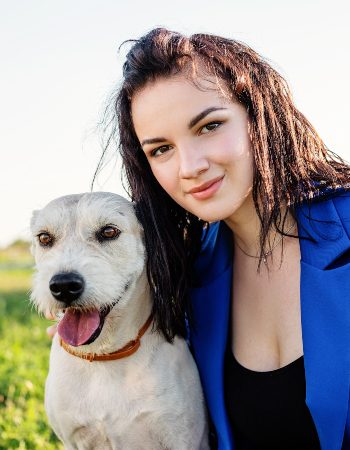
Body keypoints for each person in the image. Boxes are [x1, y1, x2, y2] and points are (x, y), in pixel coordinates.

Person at [49, 28, 350, 449]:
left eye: (209, 126)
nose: (189, 166)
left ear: (259, 114)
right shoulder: (188, 279)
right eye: (160, 149)